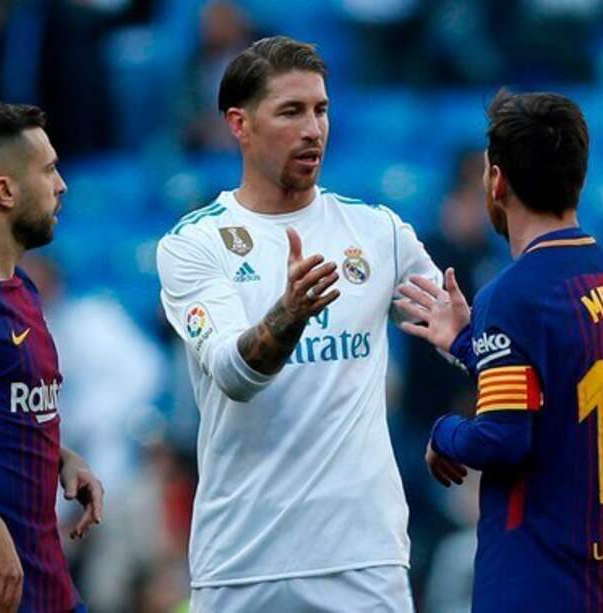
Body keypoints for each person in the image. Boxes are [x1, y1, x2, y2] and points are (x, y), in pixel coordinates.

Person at [156, 36, 440, 612]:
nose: (313, 129)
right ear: (239, 124)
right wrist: (288, 314)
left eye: (321, 109)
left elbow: (458, 334)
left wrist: (465, 344)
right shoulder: (194, 244)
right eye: (291, 111)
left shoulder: (378, 232)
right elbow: (236, 374)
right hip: (242, 558)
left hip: (363, 555)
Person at [397, 90, 603, 612]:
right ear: (579, 177)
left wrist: (443, 434)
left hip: (535, 578)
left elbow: (502, 439)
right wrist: (471, 346)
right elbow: (559, 387)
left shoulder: (513, 293)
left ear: (497, 181)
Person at [0, 102, 104, 613]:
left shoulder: (22, 289)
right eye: (48, 170)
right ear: (4, 191)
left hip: (46, 586)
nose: (62, 185)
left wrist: (61, 457)